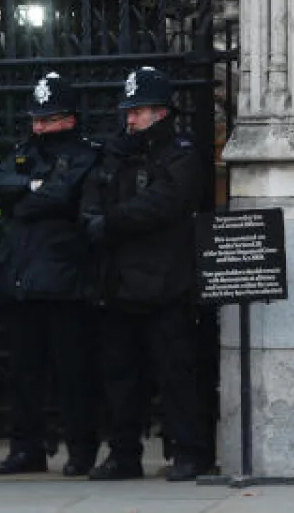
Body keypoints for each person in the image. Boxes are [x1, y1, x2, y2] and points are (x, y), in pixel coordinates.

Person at [81, 66, 210, 482]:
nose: (130, 119)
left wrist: (111, 222)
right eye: (129, 112)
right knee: (120, 378)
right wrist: (98, 218)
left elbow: (163, 203)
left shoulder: (182, 153)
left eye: (137, 112)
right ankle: (124, 454)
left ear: (160, 113)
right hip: (118, 283)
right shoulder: (119, 150)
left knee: (175, 375)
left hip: (164, 284)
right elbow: (93, 194)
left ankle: (188, 452)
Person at [0, 72, 100, 477]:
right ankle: (26, 449)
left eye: (47, 119)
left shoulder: (85, 155)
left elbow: (64, 195)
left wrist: (26, 195)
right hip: (22, 278)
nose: (39, 127)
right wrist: (32, 187)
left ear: (68, 118)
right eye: (36, 119)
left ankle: (81, 450)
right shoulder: (23, 152)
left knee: (73, 375)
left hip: (65, 281)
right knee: (23, 375)